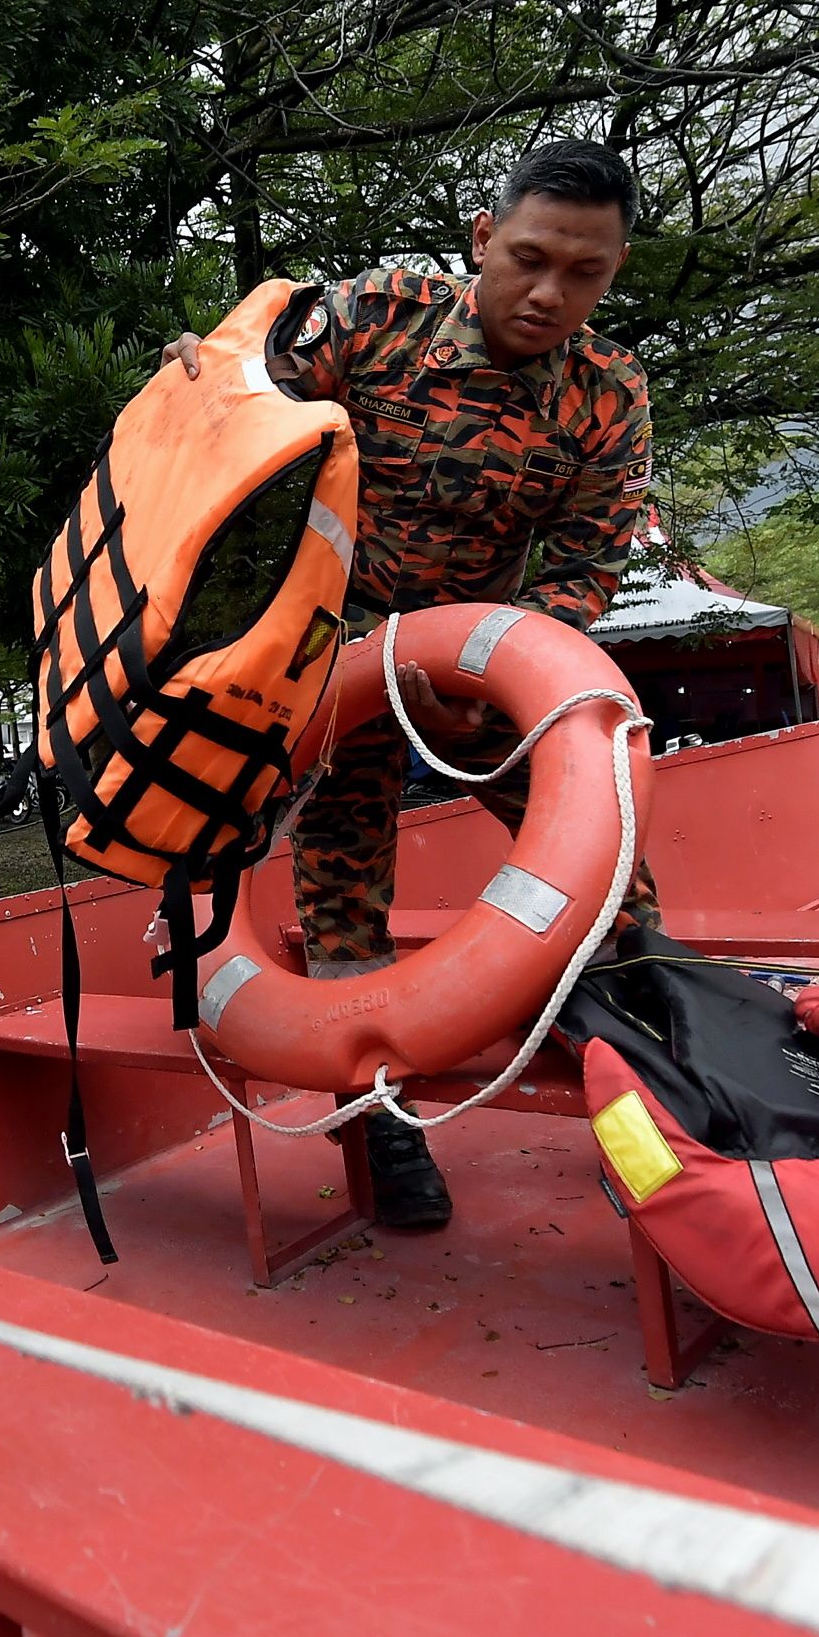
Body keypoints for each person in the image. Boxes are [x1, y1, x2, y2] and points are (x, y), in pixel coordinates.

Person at [166, 140, 655, 1233]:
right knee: (343, 894)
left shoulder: (606, 398)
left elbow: (585, 568)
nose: (548, 293)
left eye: (587, 274)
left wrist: (489, 676)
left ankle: (661, 1105)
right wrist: (200, 392)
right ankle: (381, 1123)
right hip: (331, 662)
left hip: (482, 670)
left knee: (612, 872)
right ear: (482, 239)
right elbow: (243, 428)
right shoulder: (368, 318)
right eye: (528, 258)